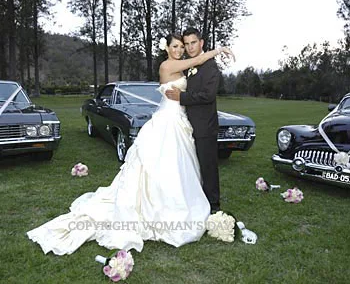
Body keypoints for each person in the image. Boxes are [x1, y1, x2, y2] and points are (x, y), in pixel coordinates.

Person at [27, 33, 234, 255]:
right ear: (167, 49)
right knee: (165, 163)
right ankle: (165, 205)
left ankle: (192, 199)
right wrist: (220, 49)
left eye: (182, 46)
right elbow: (196, 61)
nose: (180, 50)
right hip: (168, 120)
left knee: (178, 164)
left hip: (181, 120)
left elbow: (196, 77)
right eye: (176, 46)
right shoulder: (168, 66)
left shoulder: (182, 67)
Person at [166, 28, 231, 213]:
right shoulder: (187, 64)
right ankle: (196, 201)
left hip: (204, 127)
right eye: (186, 44)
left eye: (193, 42)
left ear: (201, 43)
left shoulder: (210, 66)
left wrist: (182, 97)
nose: (189, 47)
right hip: (187, 125)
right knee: (191, 166)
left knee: (208, 167)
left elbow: (208, 95)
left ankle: (213, 206)